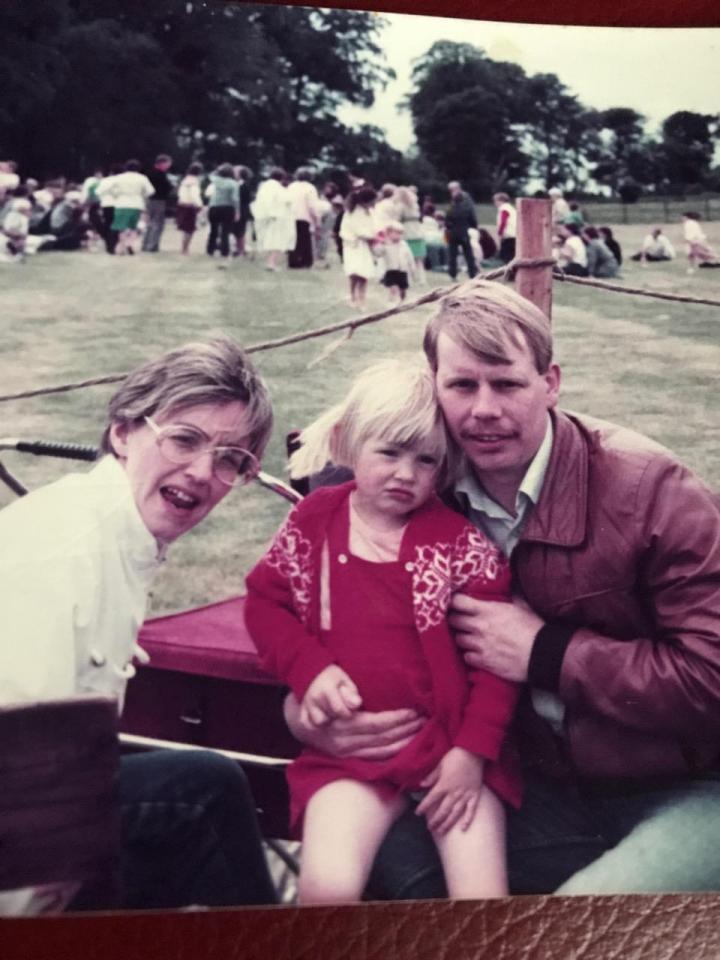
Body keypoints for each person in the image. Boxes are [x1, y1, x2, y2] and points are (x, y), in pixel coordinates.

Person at [286, 278, 720, 899]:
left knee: (576, 932)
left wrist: (545, 652)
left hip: (689, 789)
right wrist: (306, 713)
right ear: (433, 385)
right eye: (462, 385)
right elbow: (328, 629)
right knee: (384, 872)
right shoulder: (413, 485)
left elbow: (713, 673)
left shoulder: (654, 490)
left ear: (551, 383)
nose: (484, 409)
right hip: (530, 782)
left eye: (508, 383)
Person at [0, 336, 278, 914]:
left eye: (231, 459)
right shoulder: (66, 553)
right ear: (124, 432)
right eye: (184, 439)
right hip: (21, 862)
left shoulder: (115, 535)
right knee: (206, 790)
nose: (203, 471)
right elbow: (23, 787)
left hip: (46, 818)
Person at [245, 358, 520, 904]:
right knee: (327, 888)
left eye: (426, 460)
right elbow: (264, 603)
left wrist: (471, 755)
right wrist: (309, 669)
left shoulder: (458, 545)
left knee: (482, 898)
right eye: (389, 453)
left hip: (449, 752)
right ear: (349, 443)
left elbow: (497, 665)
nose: (405, 474)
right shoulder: (314, 521)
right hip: (352, 759)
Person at [339, 186, 378, 309]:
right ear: (366, 200)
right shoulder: (353, 212)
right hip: (354, 246)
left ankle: (362, 299)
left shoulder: (370, 212)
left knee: (364, 274)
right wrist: (371, 236)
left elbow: (373, 227)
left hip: (365, 246)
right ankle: (353, 298)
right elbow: (358, 231)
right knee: (355, 273)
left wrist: (376, 235)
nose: (374, 203)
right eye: (373, 201)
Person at [251, 167, 294, 271]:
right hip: (277, 217)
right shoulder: (278, 188)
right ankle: (271, 262)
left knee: (268, 239)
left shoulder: (264, 186)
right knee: (276, 240)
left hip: (263, 216)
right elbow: (287, 200)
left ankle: (269, 261)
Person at [110, 159, 155, 256]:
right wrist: (142, 195)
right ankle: (129, 243)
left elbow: (112, 190)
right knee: (133, 227)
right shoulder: (142, 178)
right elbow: (150, 191)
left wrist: (117, 195)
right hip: (136, 204)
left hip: (121, 204)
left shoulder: (119, 178)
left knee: (121, 227)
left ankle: (122, 246)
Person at [205, 163, 240, 263]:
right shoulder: (233, 183)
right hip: (227, 208)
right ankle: (224, 251)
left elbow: (211, 174)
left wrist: (218, 169)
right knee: (225, 231)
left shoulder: (215, 181)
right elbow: (235, 199)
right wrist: (237, 211)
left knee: (213, 230)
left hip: (214, 207)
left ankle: (210, 250)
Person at [287, 168, 320, 269]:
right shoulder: (310, 188)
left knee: (293, 240)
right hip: (304, 217)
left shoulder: (291, 186)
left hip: (291, 216)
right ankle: (305, 261)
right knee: (305, 240)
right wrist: (317, 219)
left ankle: (293, 261)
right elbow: (312, 205)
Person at [376, 220, 415, 302]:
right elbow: (378, 253)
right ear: (389, 233)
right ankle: (393, 302)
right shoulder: (385, 244)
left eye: (400, 233)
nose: (399, 236)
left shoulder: (404, 244)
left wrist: (412, 267)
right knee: (394, 288)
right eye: (396, 233)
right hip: (391, 271)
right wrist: (380, 244)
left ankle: (402, 301)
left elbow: (409, 256)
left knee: (403, 290)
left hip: (402, 271)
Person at [394, 186, 427, 285]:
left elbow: (397, 218)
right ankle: (422, 280)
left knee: (407, 259)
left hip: (407, 233)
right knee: (419, 260)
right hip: (418, 232)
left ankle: (409, 280)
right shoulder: (415, 205)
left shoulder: (400, 206)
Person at [445, 181, 477, 281]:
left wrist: (450, 227)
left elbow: (447, 221)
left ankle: (452, 274)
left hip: (453, 233)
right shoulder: (466, 208)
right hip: (464, 232)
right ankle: (472, 274)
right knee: (468, 254)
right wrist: (472, 226)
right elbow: (472, 218)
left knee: (452, 254)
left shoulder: (451, 208)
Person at [142, 154, 173, 253]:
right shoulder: (159, 174)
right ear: (162, 163)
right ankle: (152, 245)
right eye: (168, 164)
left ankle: (145, 244)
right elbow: (167, 187)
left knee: (150, 223)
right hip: (158, 200)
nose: (169, 166)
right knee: (157, 223)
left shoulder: (149, 173)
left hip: (150, 200)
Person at [175, 161, 204, 255]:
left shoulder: (185, 180)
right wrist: (199, 205)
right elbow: (194, 195)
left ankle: (184, 248)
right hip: (190, 206)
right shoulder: (194, 182)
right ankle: (185, 249)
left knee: (185, 229)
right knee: (190, 229)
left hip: (182, 205)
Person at [232, 166, 254, 257]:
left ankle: (241, 250)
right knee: (236, 231)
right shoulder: (236, 184)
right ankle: (238, 249)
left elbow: (246, 199)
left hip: (242, 210)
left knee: (240, 231)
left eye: (236, 172)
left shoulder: (244, 185)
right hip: (237, 209)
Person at [493, 193, 517, 264]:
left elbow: (503, 222)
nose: (495, 203)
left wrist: (499, 233)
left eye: (495, 201)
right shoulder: (511, 208)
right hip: (514, 235)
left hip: (508, 235)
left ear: (501, 200)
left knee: (506, 257)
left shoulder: (504, 208)